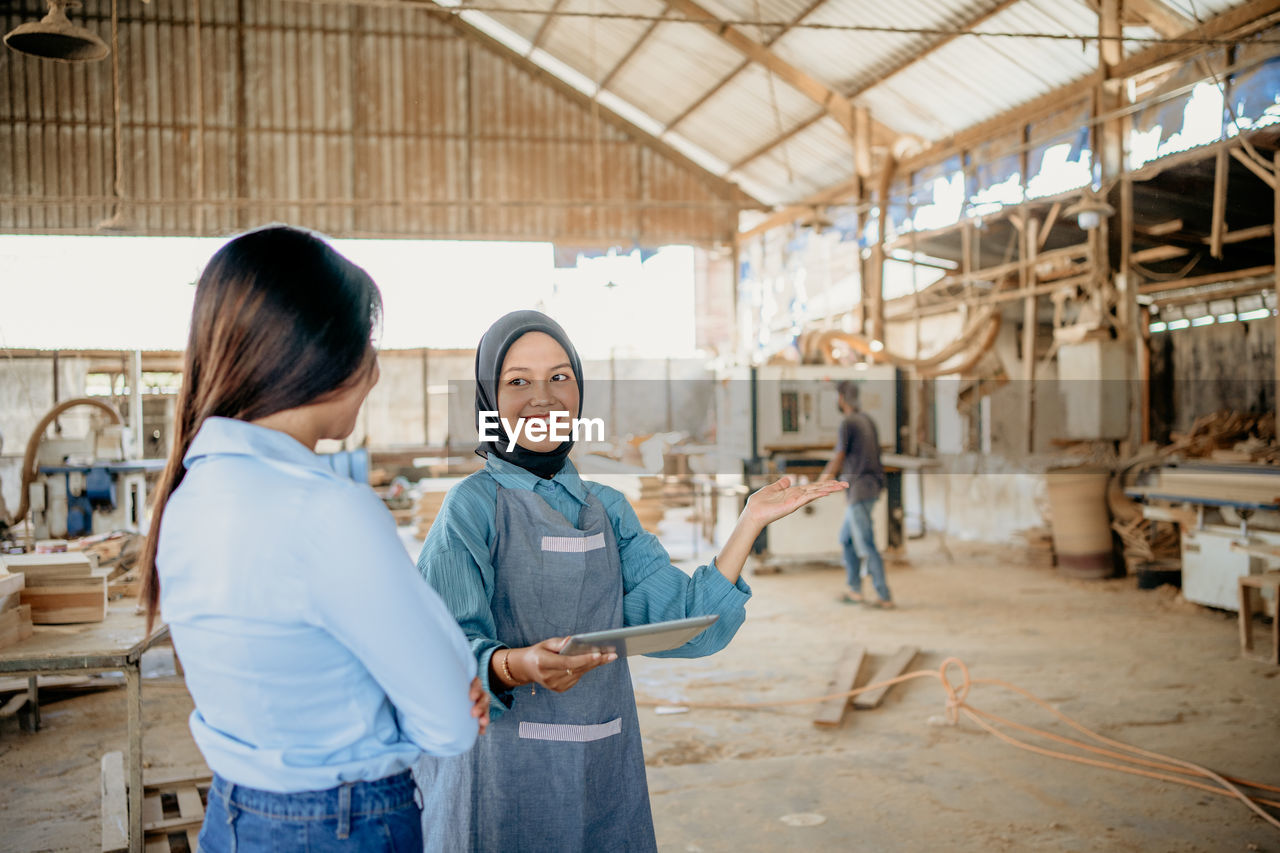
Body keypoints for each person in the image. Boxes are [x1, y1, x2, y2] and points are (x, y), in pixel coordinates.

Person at [415, 310, 847, 852]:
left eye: (559, 377)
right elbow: (437, 652)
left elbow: (690, 626)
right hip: (500, 773)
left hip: (601, 761)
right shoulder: (470, 508)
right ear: (488, 400)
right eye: (518, 381)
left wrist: (749, 522)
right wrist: (515, 665)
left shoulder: (607, 509)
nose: (543, 396)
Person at [138, 225, 489, 852]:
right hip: (344, 827)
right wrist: (429, 700)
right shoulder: (331, 512)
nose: (376, 369)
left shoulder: (187, 500)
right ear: (322, 352)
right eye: (369, 345)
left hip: (233, 817)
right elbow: (453, 723)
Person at [820, 379, 892, 608]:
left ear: (841, 398)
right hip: (869, 486)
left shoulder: (848, 423)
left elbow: (839, 456)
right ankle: (855, 590)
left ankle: (884, 596)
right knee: (847, 539)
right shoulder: (868, 420)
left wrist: (821, 481)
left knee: (866, 544)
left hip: (860, 490)